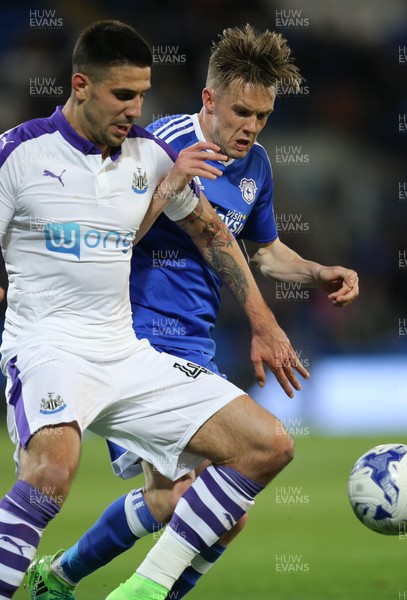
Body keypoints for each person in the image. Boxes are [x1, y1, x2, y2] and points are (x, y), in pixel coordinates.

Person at [26, 24, 359, 600]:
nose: (250, 127)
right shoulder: (159, 143)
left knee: (212, 508)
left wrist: (313, 271)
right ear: (209, 100)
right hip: (136, 337)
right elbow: (107, 237)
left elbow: (263, 250)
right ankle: (105, 586)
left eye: (262, 116)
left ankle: (57, 577)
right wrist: (171, 183)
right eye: (240, 111)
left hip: (194, 343)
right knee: (196, 501)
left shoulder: (255, 168)